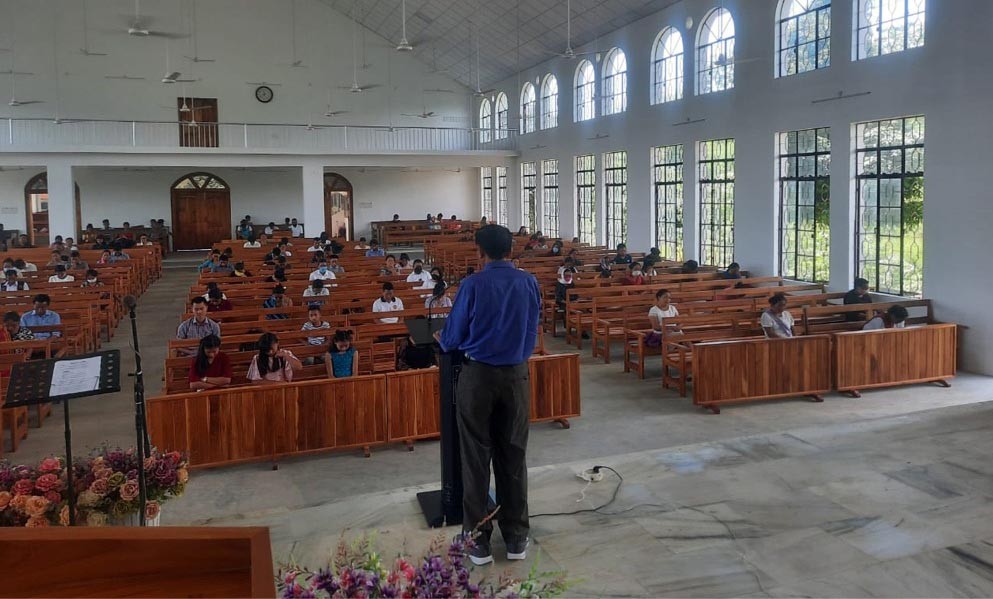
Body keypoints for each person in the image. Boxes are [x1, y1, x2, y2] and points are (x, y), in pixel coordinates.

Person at [436, 224, 540, 566]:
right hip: (516, 375)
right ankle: (516, 536)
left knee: (476, 455)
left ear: (480, 251)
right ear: (510, 249)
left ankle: (478, 539)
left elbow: (452, 336)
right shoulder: (529, 282)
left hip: (478, 376)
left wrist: (445, 339)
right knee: (513, 454)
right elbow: (531, 328)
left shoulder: (473, 284)